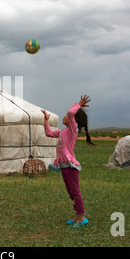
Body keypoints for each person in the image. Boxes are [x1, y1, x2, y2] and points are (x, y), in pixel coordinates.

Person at [41, 95, 95, 229]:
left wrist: (79, 104)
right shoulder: (62, 131)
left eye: (66, 115)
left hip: (70, 165)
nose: (65, 116)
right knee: (70, 192)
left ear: (74, 120)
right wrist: (46, 121)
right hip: (63, 165)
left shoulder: (72, 130)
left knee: (75, 191)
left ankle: (82, 217)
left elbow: (71, 113)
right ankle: (77, 215)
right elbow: (48, 133)